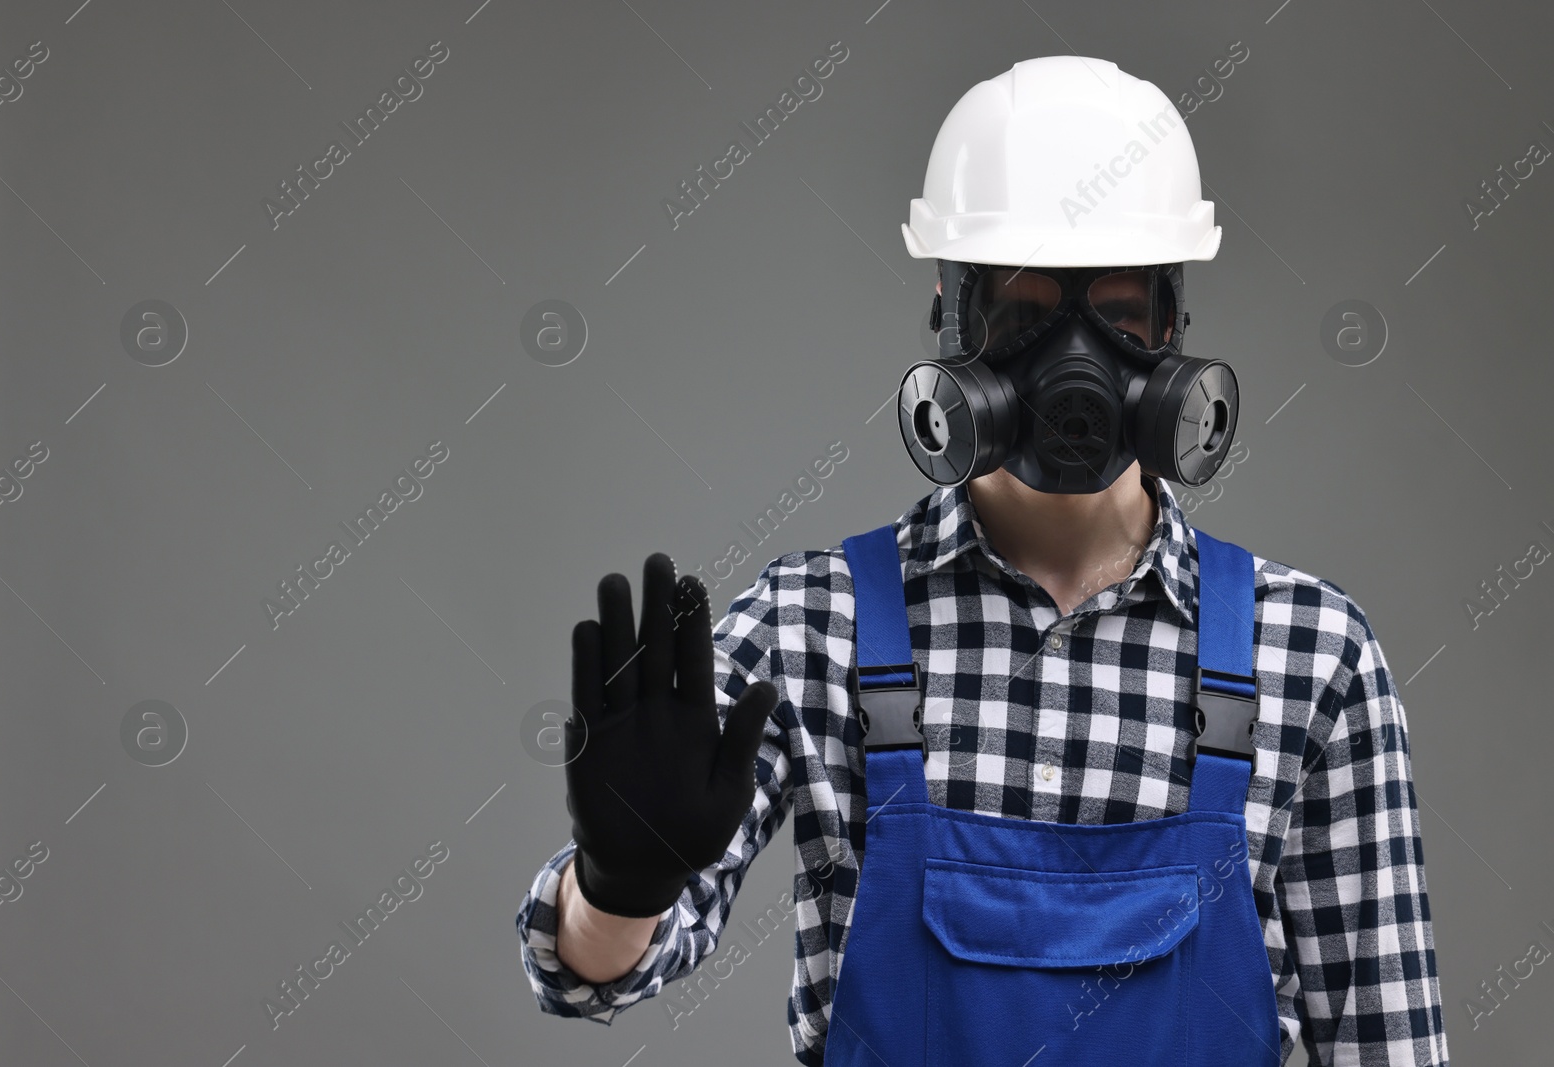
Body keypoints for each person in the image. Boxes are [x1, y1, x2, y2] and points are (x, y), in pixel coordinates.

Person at [516, 55, 1449, 1065]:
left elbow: (1388, 1044)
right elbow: (587, 971)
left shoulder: (1310, 656)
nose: (1074, 363)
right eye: (1023, 315)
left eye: (1120, 316)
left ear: (1173, 325)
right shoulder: (811, 626)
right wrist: (617, 884)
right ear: (950, 315)